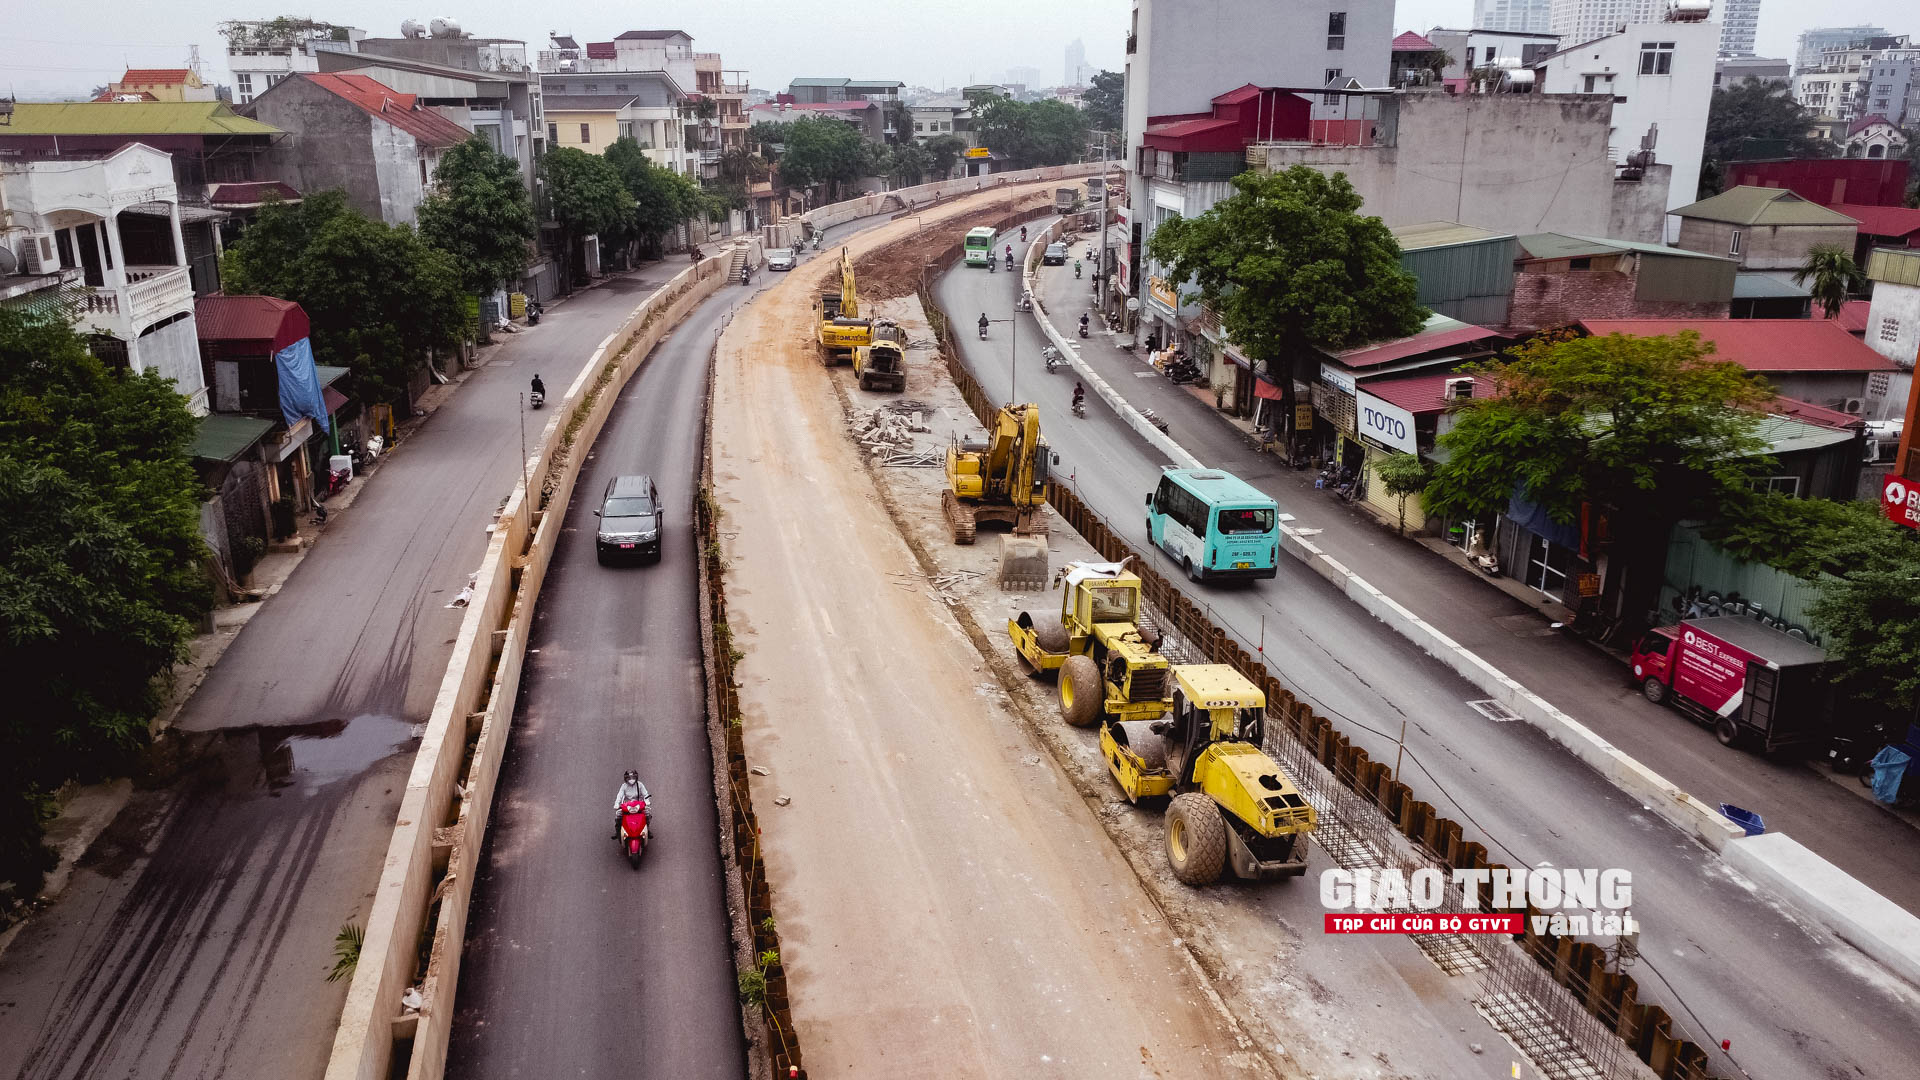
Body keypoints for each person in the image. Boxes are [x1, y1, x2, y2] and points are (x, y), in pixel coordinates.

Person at [612, 769, 650, 839]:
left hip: (639, 805)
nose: (631, 780)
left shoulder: (640, 785)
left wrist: (647, 801)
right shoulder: (624, 786)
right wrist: (617, 803)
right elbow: (619, 795)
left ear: (636, 777)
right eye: (629, 778)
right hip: (627, 806)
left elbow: (646, 794)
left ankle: (647, 829)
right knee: (618, 816)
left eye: (633, 778)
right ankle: (618, 832)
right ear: (625, 778)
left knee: (647, 814)